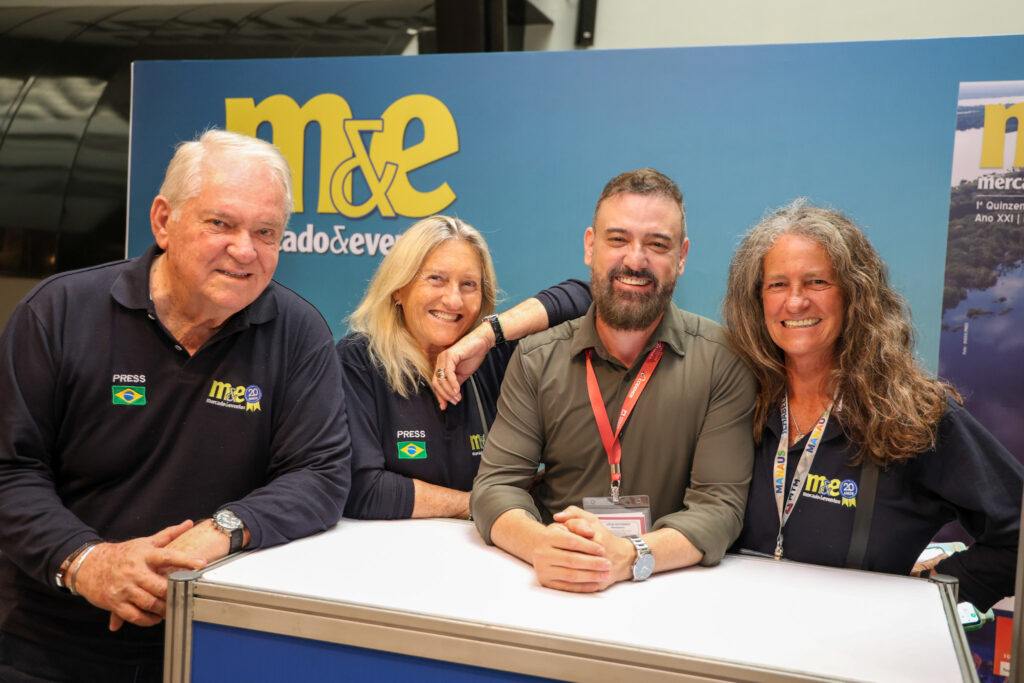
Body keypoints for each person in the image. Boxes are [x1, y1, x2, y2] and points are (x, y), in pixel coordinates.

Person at [0, 129, 351, 681]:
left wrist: (214, 533)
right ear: (164, 221)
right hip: (53, 639)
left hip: (220, 638)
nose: (245, 250)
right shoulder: (59, 312)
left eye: (266, 232)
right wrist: (89, 563)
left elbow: (321, 474)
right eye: (221, 224)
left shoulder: (299, 332)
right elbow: (11, 470)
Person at [723, 200, 1023, 611]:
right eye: (777, 284)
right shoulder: (738, 402)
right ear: (756, 300)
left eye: (816, 282)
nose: (795, 302)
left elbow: (1015, 532)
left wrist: (933, 597)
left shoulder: (909, 414)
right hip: (742, 648)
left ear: (855, 293)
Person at [470, 168, 756, 592]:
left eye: (657, 244)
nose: (635, 260)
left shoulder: (723, 361)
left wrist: (630, 555)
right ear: (590, 246)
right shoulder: (535, 358)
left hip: (672, 593)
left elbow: (719, 509)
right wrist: (542, 546)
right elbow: (495, 487)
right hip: (554, 589)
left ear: (682, 256)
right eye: (617, 239)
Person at [338, 215, 590, 520]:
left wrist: (488, 334)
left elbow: (588, 300)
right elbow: (362, 488)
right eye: (436, 279)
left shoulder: (493, 357)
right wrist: (478, 506)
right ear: (398, 289)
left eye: (468, 284)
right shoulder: (360, 361)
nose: (453, 299)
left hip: (487, 558)